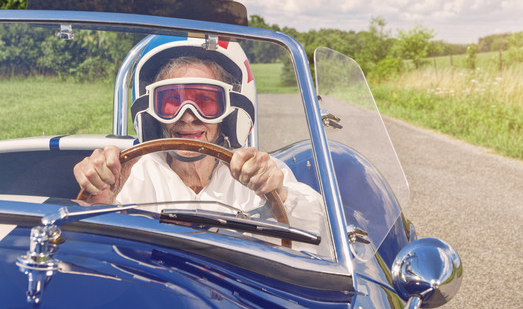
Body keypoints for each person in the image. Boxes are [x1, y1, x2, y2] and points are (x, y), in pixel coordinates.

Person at [73, 35, 330, 257]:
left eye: (205, 101)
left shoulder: (262, 175)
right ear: (152, 110)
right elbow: (89, 255)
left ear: (230, 111)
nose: (187, 116)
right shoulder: (130, 175)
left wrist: (280, 196)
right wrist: (101, 205)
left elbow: (319, 242)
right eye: (172, 101)